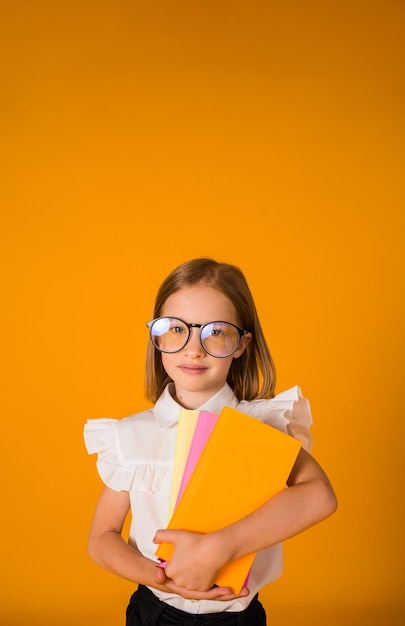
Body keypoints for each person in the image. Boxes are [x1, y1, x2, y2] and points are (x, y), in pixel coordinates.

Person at [84, 257, 337, 625]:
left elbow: (320, 496)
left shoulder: (262, 426)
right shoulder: (131, 435)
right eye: (176, 329)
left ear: (241, 344)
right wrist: (164, 580)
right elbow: (102, 537)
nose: (193, 349)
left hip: (238, 617)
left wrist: (222, 546)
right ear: (156, 337)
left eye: (215, 331)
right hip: (155, 611)